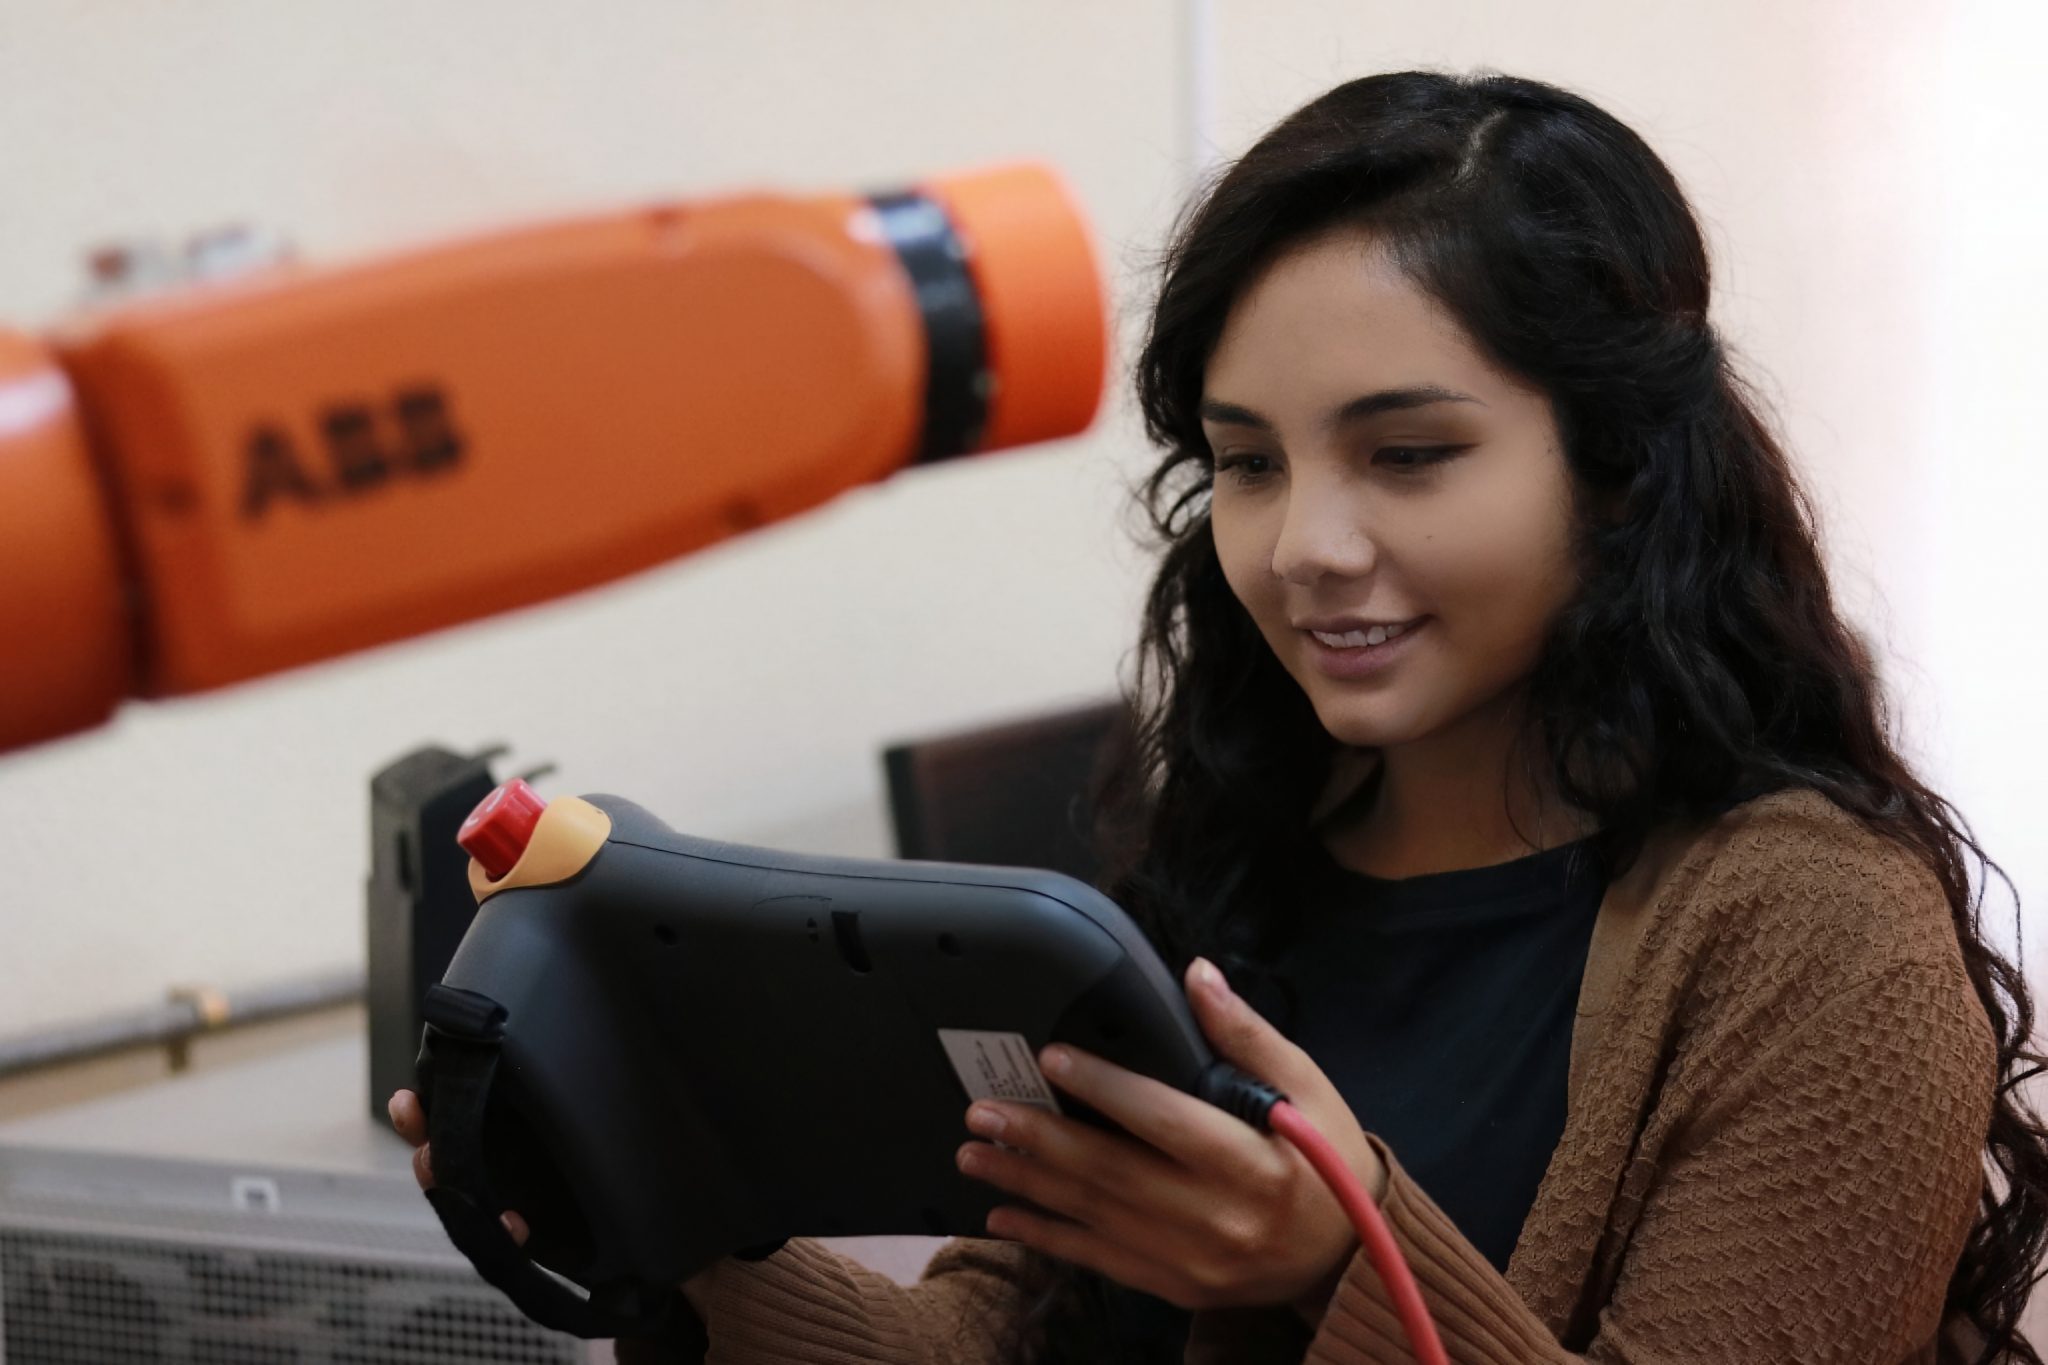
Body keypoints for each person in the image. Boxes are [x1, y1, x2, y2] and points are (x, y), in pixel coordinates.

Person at [389, 69, 2046, 1363]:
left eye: (1410, 454)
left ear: (1619, 472)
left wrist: (1340, 1259)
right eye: (1249, 462)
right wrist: (648, 1214)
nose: (1304, 544)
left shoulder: (1824, 943)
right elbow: (993, 1340)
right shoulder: (1237, 852)